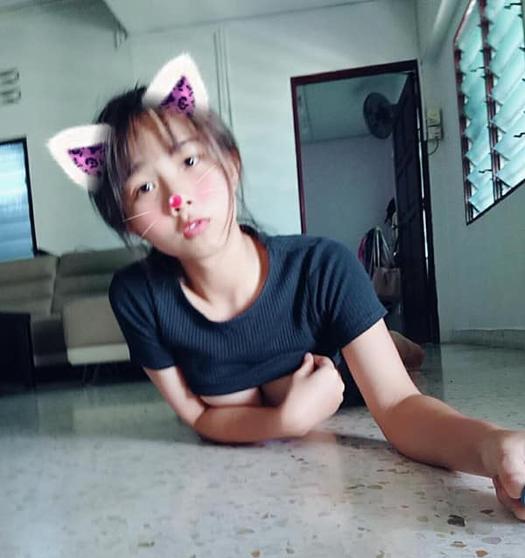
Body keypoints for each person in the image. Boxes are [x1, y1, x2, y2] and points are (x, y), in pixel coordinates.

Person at [47, 54, 525, 521]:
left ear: (231, 163)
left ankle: (387, 341)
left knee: (407, 361)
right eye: (144, 188)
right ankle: (378, 336)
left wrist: (493, 446)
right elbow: (196, 416)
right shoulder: (137, 297)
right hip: (290, 397)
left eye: (190, 160)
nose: (178, 197)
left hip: (339, 373)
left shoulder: (324, 267)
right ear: (128, 222)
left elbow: (399, 405)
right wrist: (285, 422)